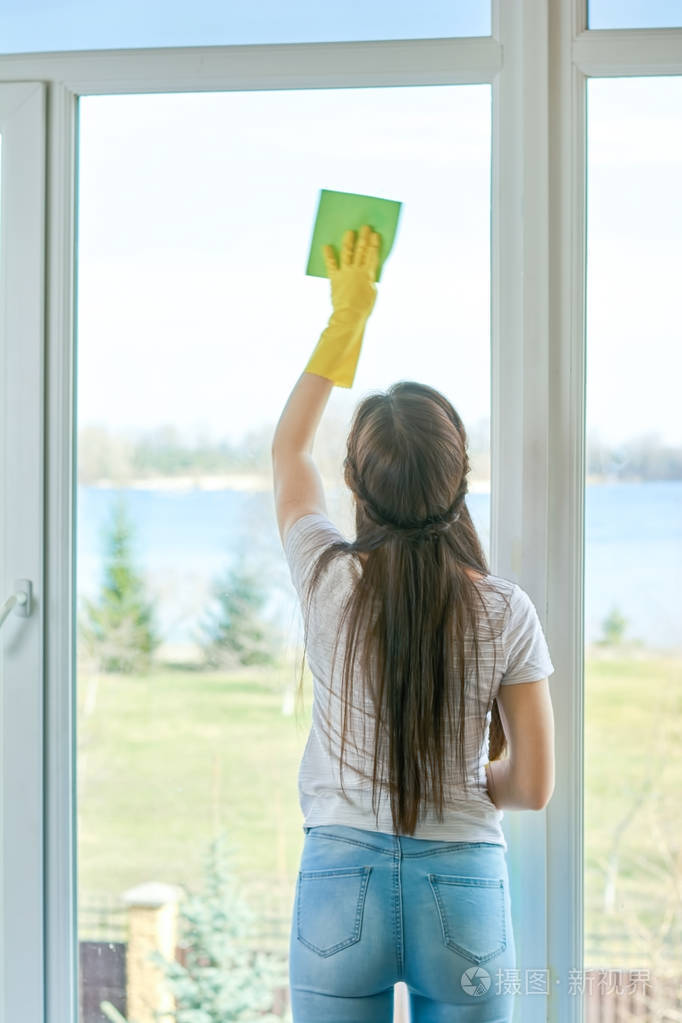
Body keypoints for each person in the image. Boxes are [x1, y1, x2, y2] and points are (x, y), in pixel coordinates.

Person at [271, 224, 556, 1022]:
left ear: (355, 480)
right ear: (459, 481)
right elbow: (532, 786)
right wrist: (466, 785)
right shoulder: (504, 609)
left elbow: (290, 451)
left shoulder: (326, 577)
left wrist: (346, 319)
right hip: (464, 892)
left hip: (339, 884)